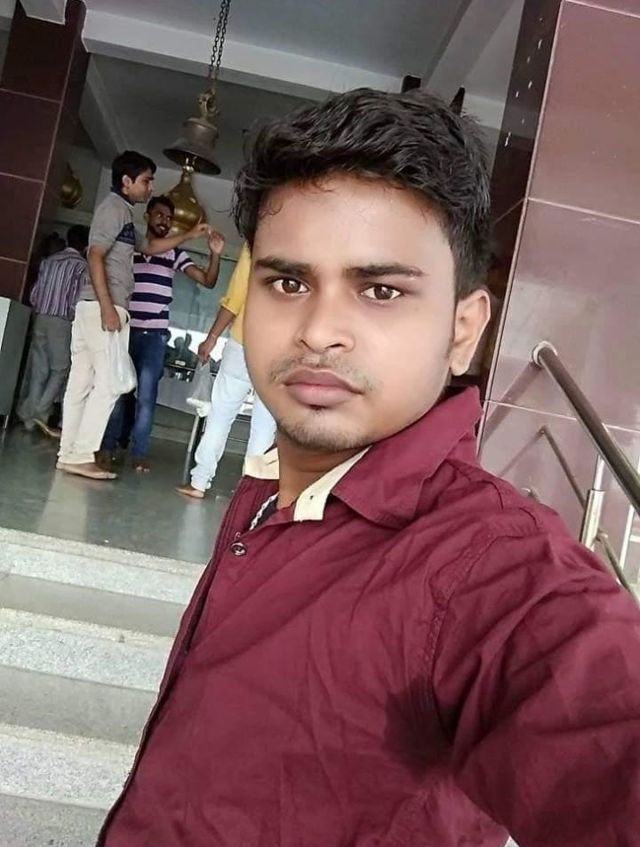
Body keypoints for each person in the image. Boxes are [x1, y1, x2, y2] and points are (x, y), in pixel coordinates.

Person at [98, 90, 640, 847]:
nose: (319, 331)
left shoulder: (490, 566)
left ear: (463, 331)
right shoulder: (269, 489)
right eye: (289, 282)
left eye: (381, 290)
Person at [57, 151, 209, 481]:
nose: (151, 187)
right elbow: (95, 255)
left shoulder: (124, 215)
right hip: (102, 307)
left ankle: (68, 454)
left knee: (81, 383)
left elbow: (150, 248)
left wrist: (188, 235)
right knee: (111, 383)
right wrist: (108, 307)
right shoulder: (113, 209)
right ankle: (81, 453)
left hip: (95, 307)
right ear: (126, 181)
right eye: (146, 181)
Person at [100, 196, 225, 472]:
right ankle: (107, 447)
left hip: (154, 336)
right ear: (147, 216)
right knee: (116, 392)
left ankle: (139, 453)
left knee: (146, 397)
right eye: (159, 215)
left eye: (168, 218)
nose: (164, 221)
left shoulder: (174, 254)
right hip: (124, 330)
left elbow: (208, 281)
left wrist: (215, 254)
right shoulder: (130, 249)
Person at [176, 243, 275, 499]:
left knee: (220, 416)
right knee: (264, 425)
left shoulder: (256, 241)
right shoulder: (305, 244)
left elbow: (235, 297)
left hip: (242, 342)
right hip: (278, 350)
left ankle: (199, 482)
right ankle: (250, 495)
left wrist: (211, 338)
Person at [18, 225, 89, 438]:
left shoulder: (49, 261)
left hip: (40, 317)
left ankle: (28, 416)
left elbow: (35, 293)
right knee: (61, 368)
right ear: (86, 245)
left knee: (39, 368)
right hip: (61, 321)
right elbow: (76, 299)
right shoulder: (81, 266)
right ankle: (39, 412)